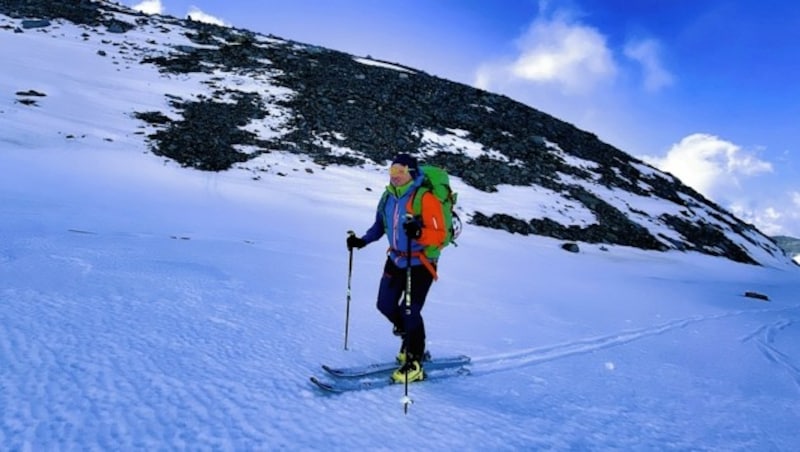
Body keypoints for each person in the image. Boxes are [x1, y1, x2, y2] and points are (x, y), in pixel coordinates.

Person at [346, 153, 446, 383]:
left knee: (409, 310)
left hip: (420, 262)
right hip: (396, 259)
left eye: (401, 171)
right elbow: (380, 225)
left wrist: (420, 232)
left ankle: (415, 361)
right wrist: (362, 241)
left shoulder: (425, 198)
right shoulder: (387, 197)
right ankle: (408, 339)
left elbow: (440, 235)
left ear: (411, 173)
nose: (395, 176)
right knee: (385, 304)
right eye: (392, 171)